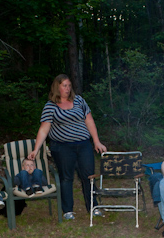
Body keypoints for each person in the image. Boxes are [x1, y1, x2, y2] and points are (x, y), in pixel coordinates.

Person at [28, 74, 107, 220]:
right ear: (57, 87)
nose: (68, 88)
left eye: (69, 85)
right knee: (66, 178)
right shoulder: (50, 106)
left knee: (88, 176)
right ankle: (68, 210)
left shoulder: (79, 100)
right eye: (64, 85)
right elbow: (44, 129)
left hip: (83, 145)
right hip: (62, 147)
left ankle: (93, 207)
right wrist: (36, 148)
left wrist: (96, 141)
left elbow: (89, 121)